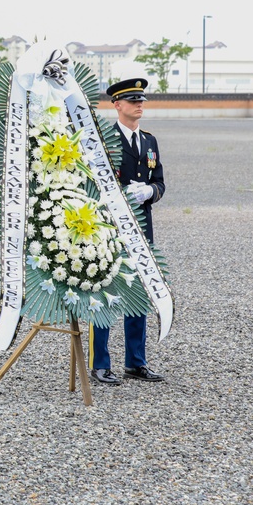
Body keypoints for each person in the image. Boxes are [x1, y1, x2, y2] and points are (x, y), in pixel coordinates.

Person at [89, 78, 166, 385]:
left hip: (141, 229)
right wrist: (122, 193)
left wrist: (149, 191)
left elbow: (159, 181)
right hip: (110, 229)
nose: (140, 105)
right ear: (117, 105)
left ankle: (135, 362)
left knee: (137, 294)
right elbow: (94, 182)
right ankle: (100, 364)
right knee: (105, 295)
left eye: (142, 100)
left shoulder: (149, 141)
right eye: (133, 101)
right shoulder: (104, 141)